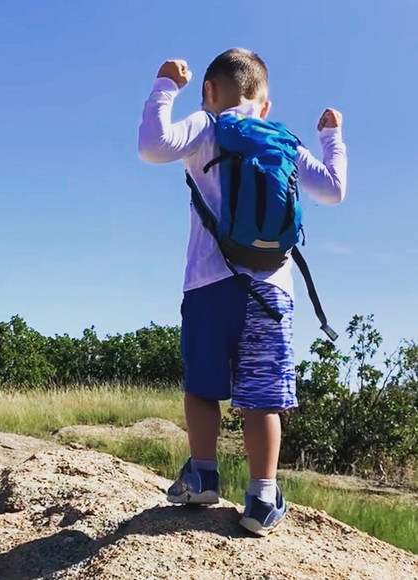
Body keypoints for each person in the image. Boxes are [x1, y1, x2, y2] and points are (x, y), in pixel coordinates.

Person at [137, 48, 347, 536]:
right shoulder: (283, 141)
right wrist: (331, 136)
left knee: (201, 388)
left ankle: (202, 476)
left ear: (209, 91)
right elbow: (334, 190)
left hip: (208, 285)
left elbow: (152, 146)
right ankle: (262, 498)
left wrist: (165, 86)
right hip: (271, 291)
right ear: (265, 105)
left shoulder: (207, 125)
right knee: (262, 399)